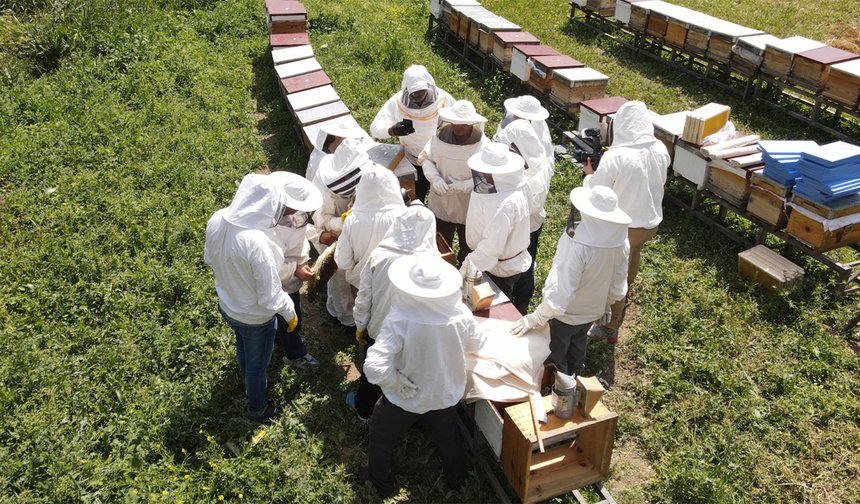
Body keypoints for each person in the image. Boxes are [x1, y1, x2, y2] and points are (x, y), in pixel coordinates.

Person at [361, 255, 485, 497]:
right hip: (443, 394)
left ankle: (380, 482)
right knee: (448, 437)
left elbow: (374, 367)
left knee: (380, 431)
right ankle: (457, 482)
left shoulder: (399, 319)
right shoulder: (458, 313)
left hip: (405, 397)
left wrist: (393, 381)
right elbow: (478, 343)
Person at [203, 173, 299, 423]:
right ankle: (258, 408)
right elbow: (271, 297)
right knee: (258, 364)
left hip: (228, 306)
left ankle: (252, 379)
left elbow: (209, 258)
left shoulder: (217, 218)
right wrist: (290, 313)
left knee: (244, 347)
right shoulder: (256, 242)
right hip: (255, 318)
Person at [510, 186, 630, 378]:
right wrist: (606, 305)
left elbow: (560, 294)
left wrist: (536, 317)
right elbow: (618, 284)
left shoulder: (577, 245)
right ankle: (576, 380)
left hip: (564, 315)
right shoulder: (621, 242)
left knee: (556, 356)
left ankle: (561, 390)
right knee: (578, 344)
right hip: (592, 312)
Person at [582, 100, 670, 342]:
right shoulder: (661, 148)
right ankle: (628, 288)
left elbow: (597, 192)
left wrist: (589, 176)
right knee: (634, 254)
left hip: (624, 228)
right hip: (650, 223)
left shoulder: (616, 157)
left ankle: (609, 327)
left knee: (615, 277)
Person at [348, 202, 439, 421]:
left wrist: (360, 325)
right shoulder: (433, 263)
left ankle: (364, 409)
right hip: (413, 334)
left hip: (379, 328)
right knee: (405, 375)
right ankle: (400, 415)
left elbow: (364, 297)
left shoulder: (379, 255)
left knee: (374, 371)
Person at [370, 65, 455, 202]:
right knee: (417, 197)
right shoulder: (396, 103)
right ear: (406, 91)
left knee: (443, 197)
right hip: (414, 158)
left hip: (440, 158)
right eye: (413, 94)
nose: (418, 97)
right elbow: (375, 129)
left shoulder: (444, 99)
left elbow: (459, 120)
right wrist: (393, 131)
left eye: (421, 92)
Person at [494, 118, 554, 314]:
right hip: (508, 222)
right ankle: (504, 303)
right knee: (505, 262)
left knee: (525, 264)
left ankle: (521, 303)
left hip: (528, 226)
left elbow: (533, 205)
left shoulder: (539, 169)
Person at [419, 99, 490, 265]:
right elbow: (426, 159)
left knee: (469, 248)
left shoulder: (484, 146)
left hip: (469, 207)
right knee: (440, 245)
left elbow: (489, 177)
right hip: (441, 202)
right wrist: (434, 178)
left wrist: (463, 186)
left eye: (463, 124)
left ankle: (464, 275)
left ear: (472, 123)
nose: (458, 127)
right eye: (455, 123)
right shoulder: (438, 139)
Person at [268, 171, 323, 370]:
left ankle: (279, 340)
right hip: (282, 281)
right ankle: (294, 354)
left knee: (281, 318)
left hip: (291, 276)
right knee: (291, 318)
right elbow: (271, 266)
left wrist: (320, 236)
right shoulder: (269, 229)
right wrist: (295, 270)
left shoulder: (289, 214)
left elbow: (300, 229)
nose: (300, 210)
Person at [461, 143, 531, 300]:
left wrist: (467, 266)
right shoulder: (516, 186)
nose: (482, 174)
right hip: (486, 259)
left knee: (496, 306)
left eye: (487, 171)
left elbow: (491, 248)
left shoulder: (504, 204)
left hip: (498, 268)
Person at [309, 137, 367, 327]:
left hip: (351, 230)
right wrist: (343, 221)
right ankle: (345, 318)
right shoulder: (324, 188)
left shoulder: (359, 170)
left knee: (350, 269)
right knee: (337, 274)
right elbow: (321, 221)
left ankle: (337, 307)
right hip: (329, 236)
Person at [335, 163, 406, 289]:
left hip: (362, 284)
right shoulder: (404, 217)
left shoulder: (352, 221)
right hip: (397, 283)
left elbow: (343, 262)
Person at [498, 95, 554, 171]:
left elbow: (539, 156)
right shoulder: (508, 120)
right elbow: (500, 141)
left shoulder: (540, 128)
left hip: (536, 169)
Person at [306, 119, 368, 184]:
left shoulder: (348, 151)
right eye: (348, 138)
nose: (351, 142)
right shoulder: (318, 158)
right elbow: (311, 181)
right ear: (337, 136)